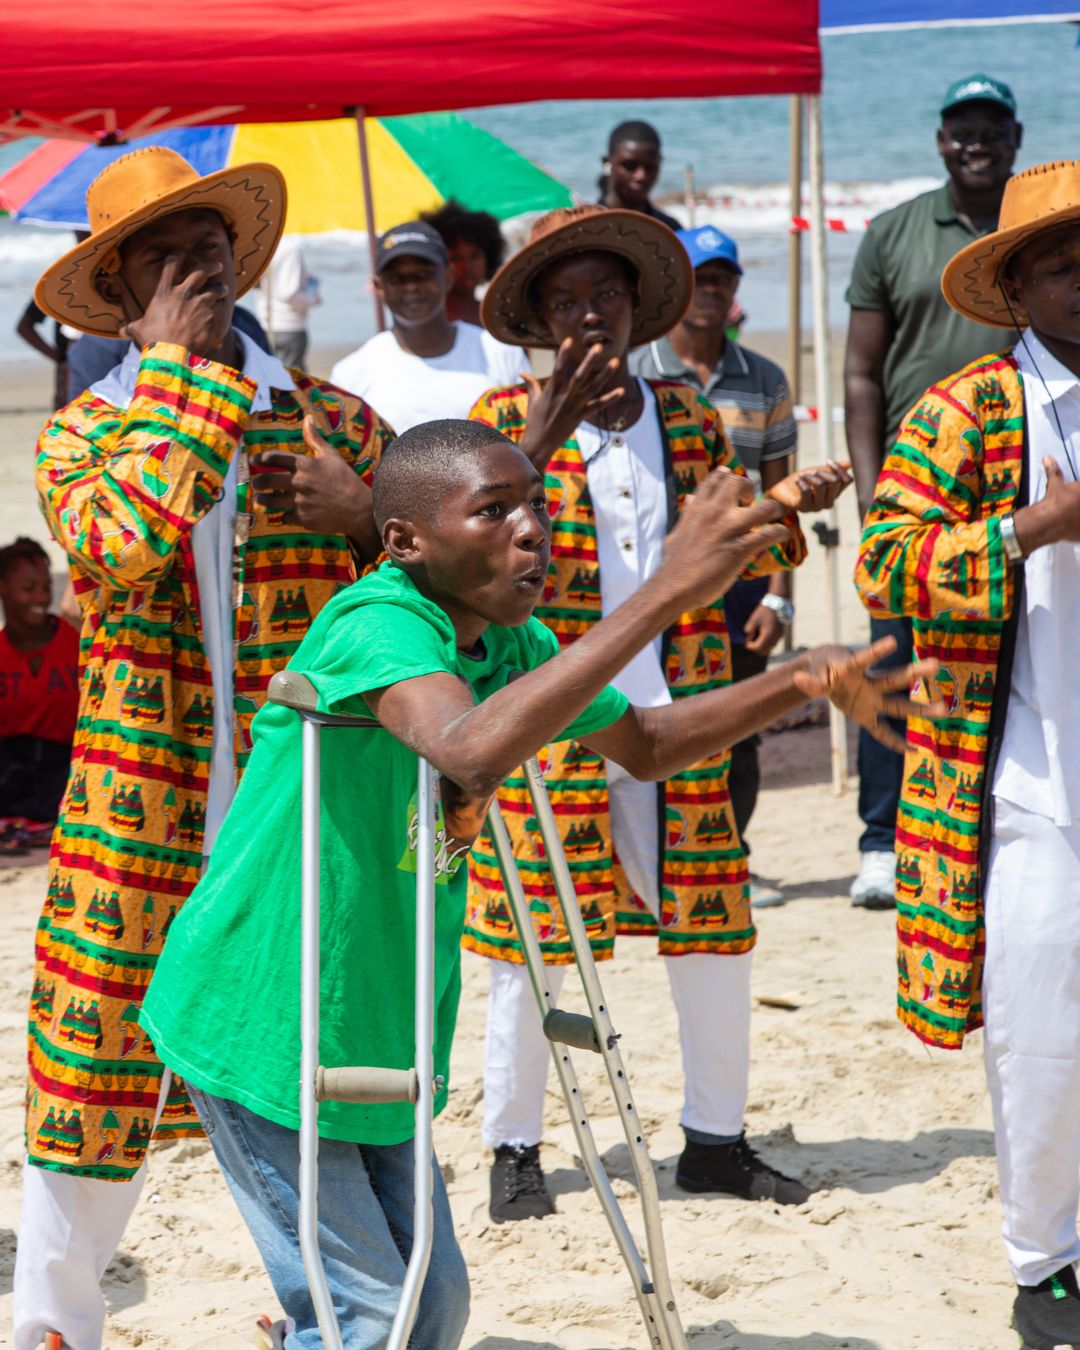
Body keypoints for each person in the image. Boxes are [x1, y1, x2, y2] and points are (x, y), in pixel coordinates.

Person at [141, 416, 935, 1348]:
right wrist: (668, 593)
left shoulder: (510, 646)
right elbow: (469, 749)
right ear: (405, 541)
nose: (531, 529)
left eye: (536, 507)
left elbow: (643, 745)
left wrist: (798, 679)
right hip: (261, 1011)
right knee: (368, 1318)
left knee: (430, 1310)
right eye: (493, 510)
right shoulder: (374, 623)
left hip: (378, 1014)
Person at [13, 145, 394, 1350]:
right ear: (122, 301)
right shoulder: (81, 438)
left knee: (308, 1068)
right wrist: (183, 380)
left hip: (300, 800)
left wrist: (368, 512)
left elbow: (437, 591)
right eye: (165, 261)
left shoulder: (332, 424)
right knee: (92, 1058)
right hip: (138, 802)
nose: (198, 275)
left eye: (211, 251)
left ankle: (323, 1313)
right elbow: (121, 540)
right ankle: (53, 1321)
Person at [469, 204, 850, 1222]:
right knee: (533, 939)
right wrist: (543, 435)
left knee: (713, 927)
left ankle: (716, 1141)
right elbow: (467, 558)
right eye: (566, 302)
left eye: (605, 297)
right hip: (550, 708)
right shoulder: (504, 416)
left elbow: (727, 549)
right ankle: (514, 1146)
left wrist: (784, 509)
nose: (588, 316)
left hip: (679, 706)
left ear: (637, 308)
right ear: (542, 321)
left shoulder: (685, 416)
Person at [855, 157, 1080, 1350]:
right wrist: (1037, 524)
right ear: (1017, 286)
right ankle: (1045, 1261)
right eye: (1061, 264)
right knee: (1040, 1019)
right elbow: (883, 565)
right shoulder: (966, 409)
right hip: (1027, 772)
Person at [844, 72, 1022, 910]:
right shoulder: (892, 232)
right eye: (962, 129)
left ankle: (997, 814)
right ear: (940, 141)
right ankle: (880, 837)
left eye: (992, 128)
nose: (977, 142)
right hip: (917, 491)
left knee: (1006, 655)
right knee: (894, 659)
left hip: (1019, 478)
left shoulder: (1039, 228)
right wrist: (875, 493)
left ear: (1015, 138)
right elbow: (858, 376)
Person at [631, 224, 799, 908]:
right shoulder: (641, 371)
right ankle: (655, 866)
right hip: (657, 579)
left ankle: (735, 859)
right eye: (700, 278)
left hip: (742, 584)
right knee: (652, 723)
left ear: (735, 290)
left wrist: (779, 599)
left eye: (724, 279)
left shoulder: (765, 380)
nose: (712, 291)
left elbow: (782, 498)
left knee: (737, 727)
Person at [330, 221, 523, 431]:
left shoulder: (501, 353)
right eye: (397, 279)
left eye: (423, 275)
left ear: (448, 277)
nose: (411, 287)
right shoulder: (351, 374)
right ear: (379, 286)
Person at [0, 537, 79, 853]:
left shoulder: (76, 640)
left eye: (46, 587)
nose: (42, 597)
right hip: (9, 764)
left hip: (61, 762)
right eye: (29, 587)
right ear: (3, 587)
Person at [422, 198, 506, 326]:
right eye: (454, 258)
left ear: (489, 257)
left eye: (474, 256)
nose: (467, 266)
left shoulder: (500, 319)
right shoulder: (425, 320)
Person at [597, 119, 680, 231]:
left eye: (650, 167)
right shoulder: (584, 227)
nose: (641, 176)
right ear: (607, 162)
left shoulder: (670, 231)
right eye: (630, 166)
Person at [252, 234, 320, 370]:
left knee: (271, 377)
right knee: (293, 383)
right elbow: (289, 293)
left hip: (265, 322)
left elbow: (254, 283)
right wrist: (313, 298)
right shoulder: (290, 248)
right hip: (289, 324)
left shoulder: (263, 244)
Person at [16, 298, 74, 409]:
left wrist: (60, 358)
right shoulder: (54, 288)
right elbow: (24, 328)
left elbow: (24, 327)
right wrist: (60, 358)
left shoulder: (56, 287)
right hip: (70, 375)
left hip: (67, 376)